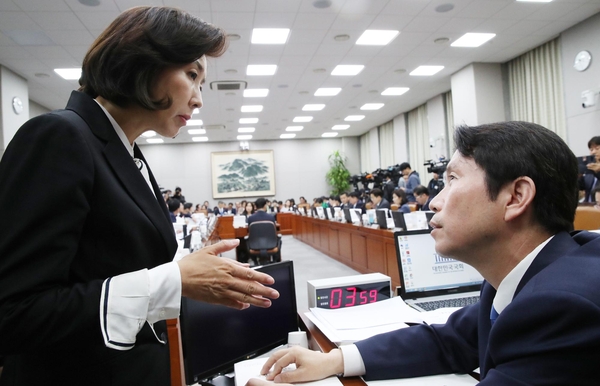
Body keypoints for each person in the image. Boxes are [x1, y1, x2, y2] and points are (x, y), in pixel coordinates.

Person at [0, 7, 280, 386]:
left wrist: (190, 272)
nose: (198, 99)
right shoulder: (59, 135)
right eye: (192, 75)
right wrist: (174, 279)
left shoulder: (126, 150)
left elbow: (111, 262)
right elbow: (14, 312)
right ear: (144, 62)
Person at [248, 121, 600, 385]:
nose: (434, 200)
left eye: (453, 180)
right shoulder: (526, 278)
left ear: (516, 197)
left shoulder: (561, 306)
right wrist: (335, 360)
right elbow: (452, 341)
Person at [581, 136, 600, 202]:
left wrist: (598, 171)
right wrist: (578, 176)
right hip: (589, 208)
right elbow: (581, 186)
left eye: (597, 148)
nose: (593, 152)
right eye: (591, 149)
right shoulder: (589, 170)